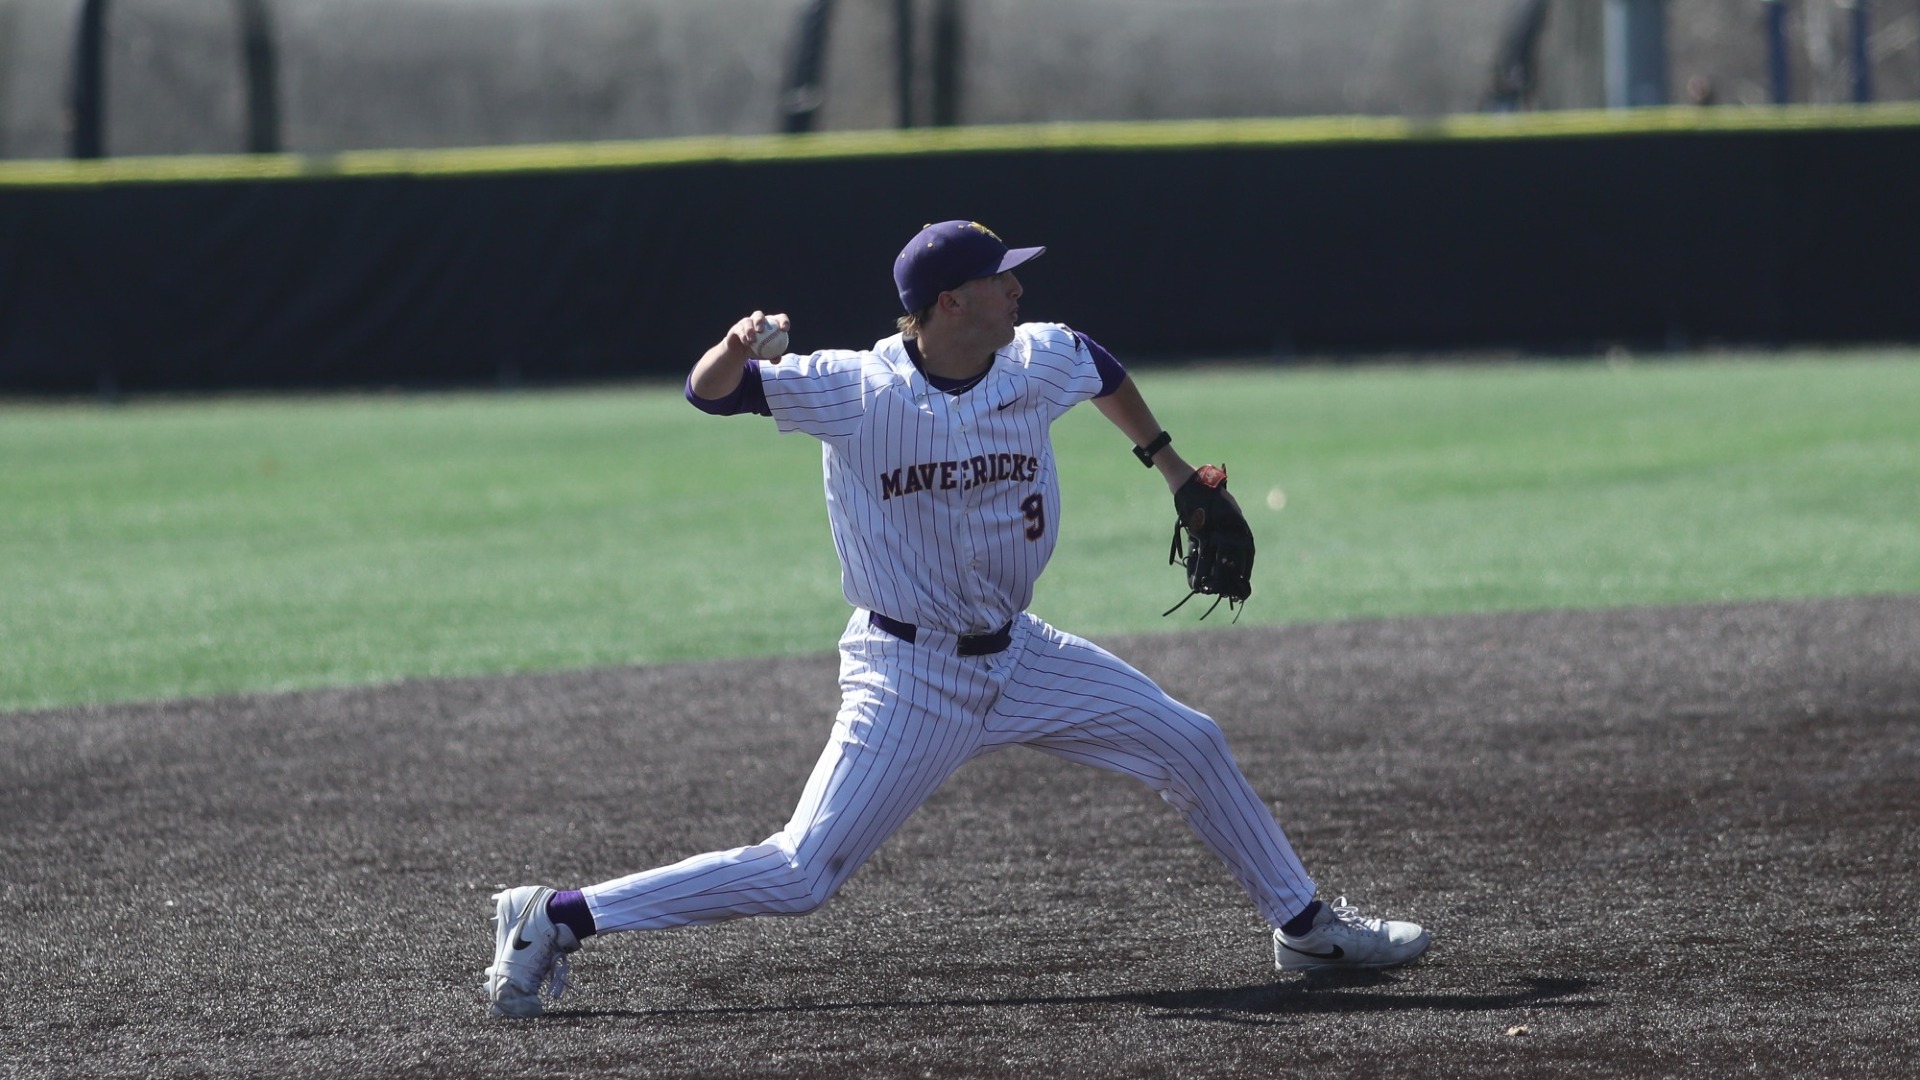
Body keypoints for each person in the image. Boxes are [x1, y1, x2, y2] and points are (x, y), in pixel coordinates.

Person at [482, 220, 1430, 1018]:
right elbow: (709, 392)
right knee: (802, 874)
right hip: (909, 676)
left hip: (1022, 655)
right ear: (949, 304)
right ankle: (556, 914)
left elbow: (1099, 366)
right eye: (998, 279)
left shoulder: (1036, 357)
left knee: (1190, 741)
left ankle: (1306, 929)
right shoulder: (858, 389)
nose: (1017, 289)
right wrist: (735, 346)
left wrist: (1172, 468)